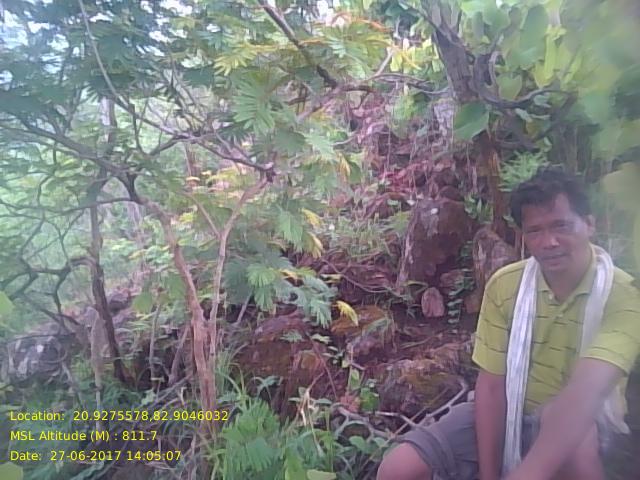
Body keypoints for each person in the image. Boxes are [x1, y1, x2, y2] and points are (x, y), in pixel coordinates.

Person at [376, 167, 640, 480]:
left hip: (588, 424)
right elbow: (491, 387)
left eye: (561, 226)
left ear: (590, 224)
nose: (549, 242)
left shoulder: (624, 294)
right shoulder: (506, 286)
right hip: (514, 410)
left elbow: (586, 392)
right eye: (535, 231)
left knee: (575, 440)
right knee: (397, 469)